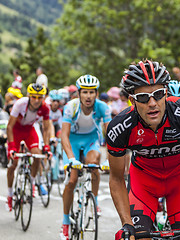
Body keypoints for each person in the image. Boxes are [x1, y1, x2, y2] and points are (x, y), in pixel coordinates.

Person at [107, 60, 180, 240]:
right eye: (143, 97)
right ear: (132, 101)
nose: (153, 103)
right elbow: (115, 178)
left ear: (166, 94)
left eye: (158, 95)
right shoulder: (120, 127)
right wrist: (126, 223)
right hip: (143, 182)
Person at [60, 75, 111, 240]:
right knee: (72, 180)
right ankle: (65, 221)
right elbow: (64, 135)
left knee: (94, 164)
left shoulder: (103, 107)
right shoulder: (70, 106)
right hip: (73, 142)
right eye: (85, 92)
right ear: (79, 93)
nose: (88, 96)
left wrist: (108, 160)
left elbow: (111, 136)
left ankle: (94, 201)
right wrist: (71, 158)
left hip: (91, 141)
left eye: (91, 92)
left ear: (96, 93)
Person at [6, 83, 52, 211]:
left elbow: (46, 128)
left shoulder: (45, 107)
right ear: (28, 96)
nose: (37, 100)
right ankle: (10, 195)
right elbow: (9, 127)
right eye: (34, 97)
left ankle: (31, 182)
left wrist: (46, 146)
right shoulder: (20, 104)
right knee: (13, 163)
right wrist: (11, 147)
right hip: (15, 131)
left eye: (39, 97)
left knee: (37, 156)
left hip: (29, 131)